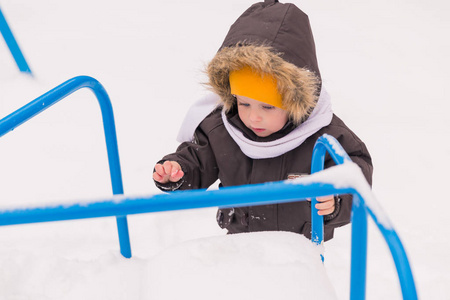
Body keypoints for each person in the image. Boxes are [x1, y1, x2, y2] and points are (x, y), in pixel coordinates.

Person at [153, 0, 373, 241]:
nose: (252, 117)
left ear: (293, 101)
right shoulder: (222, 130)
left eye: (267, 106)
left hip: (299, 254)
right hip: (241, 247)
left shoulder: (323, 135)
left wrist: (336, 201)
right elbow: (198, 159)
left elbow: (355, 175)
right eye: (244, 103)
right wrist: (179, 171)